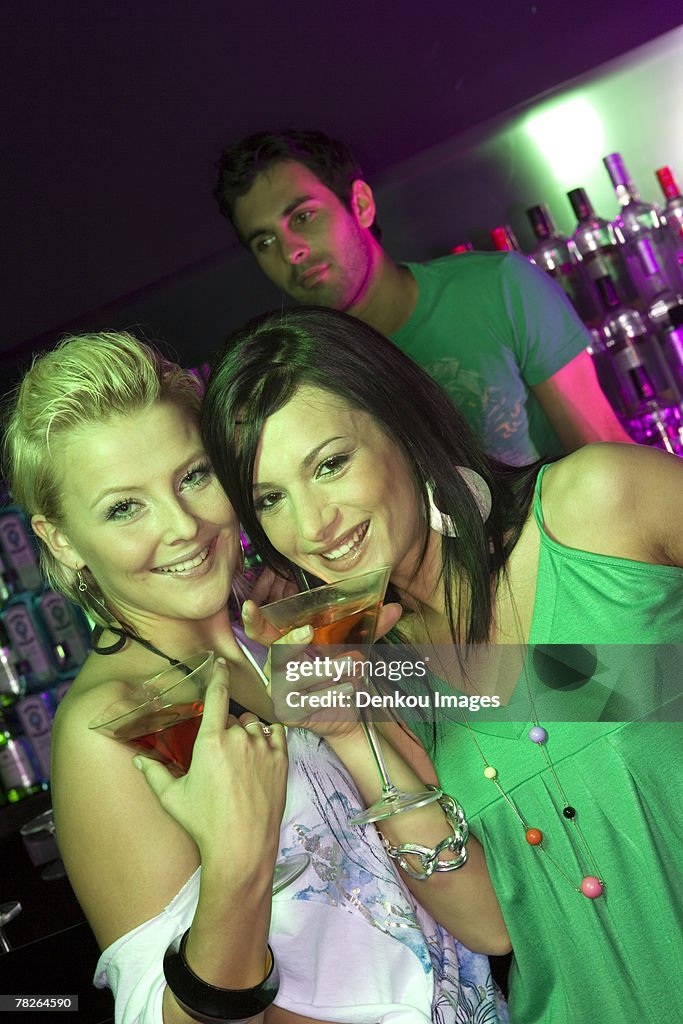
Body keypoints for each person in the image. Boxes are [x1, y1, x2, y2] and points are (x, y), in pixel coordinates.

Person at [1, 331, 509, 1024]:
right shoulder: (116, 727)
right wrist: (236, 866)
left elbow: (485, 916)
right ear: (61, 539)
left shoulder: (292, 630)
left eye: (193, 477)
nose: (181, 526)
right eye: (124, 507)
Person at [201, 306, 683, 1024]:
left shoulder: (601, 505)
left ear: (401, 426)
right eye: (270, 499)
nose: (311, 527)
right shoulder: (383, 676)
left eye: (330, 464)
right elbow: (492, 923)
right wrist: (345, 729)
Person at [212, 129, 632, 466]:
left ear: (360, 205)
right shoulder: (302, 378)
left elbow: (606, 456)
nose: (290, 251)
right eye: (264, 242)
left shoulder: (500, 288)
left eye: (303, 217)